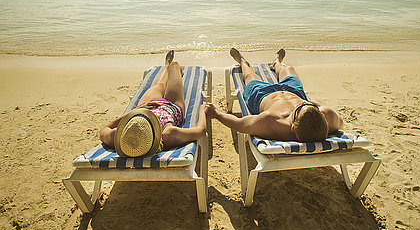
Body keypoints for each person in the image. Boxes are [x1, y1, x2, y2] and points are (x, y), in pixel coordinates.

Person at [206, 48, 343, 142]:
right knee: (289, 69)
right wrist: (314, 103)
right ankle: (277, 62)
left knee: (250, 76)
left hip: (263, 96)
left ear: (292, 126)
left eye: (298, 109)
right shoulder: (328, 116)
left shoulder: (271, 122)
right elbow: (340, 122)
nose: (302, 104)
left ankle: (242, 62)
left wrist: (216, 114)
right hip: (294, 92)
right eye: (306, 105)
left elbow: (240, 124)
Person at [100, 50, 208, 157]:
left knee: (160, 85)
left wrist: (135, 112)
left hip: (147, 107)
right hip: (171, 106)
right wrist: (202, 111)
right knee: (175, 66)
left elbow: (104, 129)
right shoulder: (168, 135)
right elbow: (201, 131)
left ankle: (166, 66)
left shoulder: (121, 138)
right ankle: (172, 67)